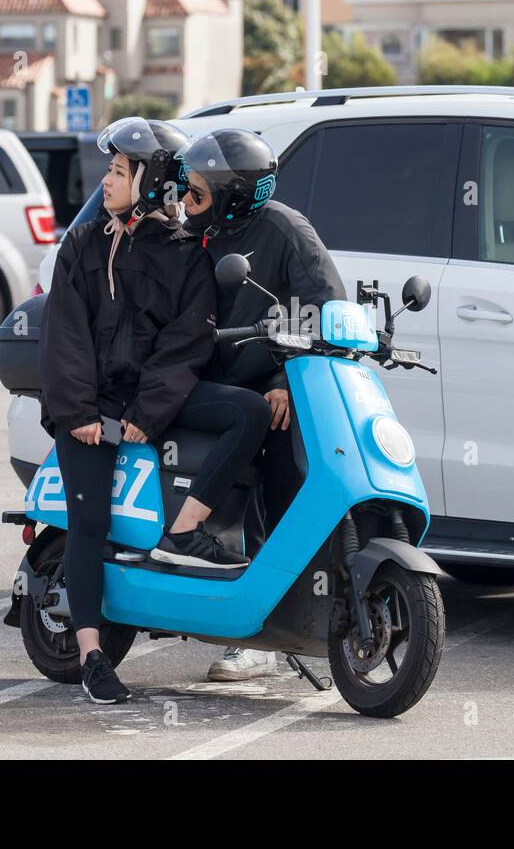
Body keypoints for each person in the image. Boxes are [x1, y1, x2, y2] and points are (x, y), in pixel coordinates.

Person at [39, 117, 222, 705]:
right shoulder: (84, 241)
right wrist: (79, 413)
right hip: (86, 414)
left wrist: (148, 411)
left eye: (120, 171)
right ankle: (93, 656)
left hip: (143, 411)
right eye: (111, 169)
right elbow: (63, 334)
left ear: (153, 181)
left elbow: (188, 342)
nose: (108, 181)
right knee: (87, 526)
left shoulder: (186, 255)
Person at [173, 128, 347, 682]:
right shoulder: (197, 233)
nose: (185, 198)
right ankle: (239, 618)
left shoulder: (284, 231)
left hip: (268, 391)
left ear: (230, 192)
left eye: (197, 189)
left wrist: (283, 380)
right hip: (210, 386)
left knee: (283, 490)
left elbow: (325, 311)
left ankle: (266, 632)